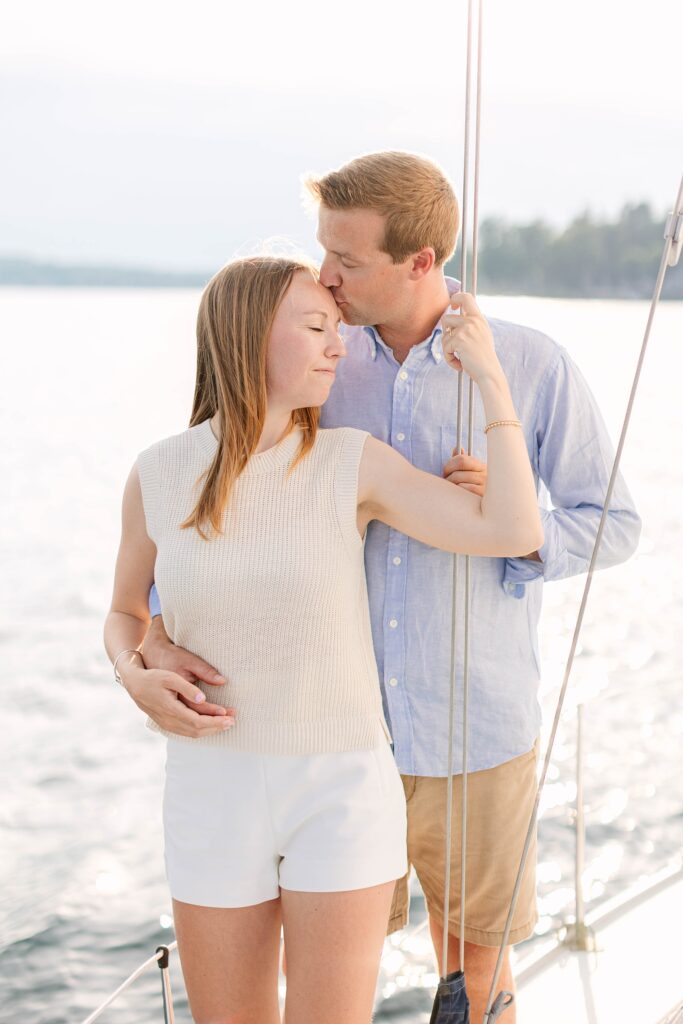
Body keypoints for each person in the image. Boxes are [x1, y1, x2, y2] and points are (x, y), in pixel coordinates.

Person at [140, 153, 641, 1022]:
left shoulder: (528, 362)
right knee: (328, 975)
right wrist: (149, 640)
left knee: (473, 972)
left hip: (470, 727)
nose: (326, 279)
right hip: (328, 735)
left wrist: (510, 527)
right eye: (323, 252)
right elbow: (226, 500)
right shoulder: (311, 355)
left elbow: (613, 521)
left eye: (349, 262)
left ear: (421, 262)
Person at [104, 252, 542, 1024]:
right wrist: (132, 672)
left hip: (342, 790)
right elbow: (124, 615)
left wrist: (492, 384)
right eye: (316, 327)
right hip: (211, 791)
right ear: (246, 338)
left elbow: (509, 529)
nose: (338, 345)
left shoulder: (351, 464)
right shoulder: (159, 473)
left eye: (337, 327)